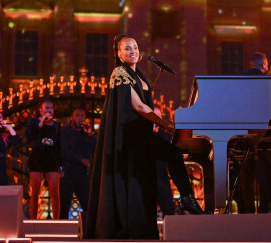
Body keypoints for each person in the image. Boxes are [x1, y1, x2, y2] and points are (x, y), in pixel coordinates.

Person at [85, 34, 203, 239]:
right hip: (130, 137)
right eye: (127, 48)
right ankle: (186, 201)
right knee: (169, 155)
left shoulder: (138, 74)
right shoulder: (119, 73)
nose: (133, 51)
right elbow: (138, 106)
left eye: (135, 47)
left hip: (142, 134)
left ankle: (186, 200)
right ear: (119, 54)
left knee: (160, 166)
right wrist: (166, 124)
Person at [238, 52, 271, 213]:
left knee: (246, 176)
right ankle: (270, 212)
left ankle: (247, 212)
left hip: (243, 134)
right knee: (269, 174)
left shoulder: (238, 81)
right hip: (265, 133)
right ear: (264, 65)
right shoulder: (270, 81)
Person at [26, 99, 62, 219]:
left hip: (52, 158)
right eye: (46, 108)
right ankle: (33, 220)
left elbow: (59, 145)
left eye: (51, 108)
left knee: (55, 193)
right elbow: (29, 136)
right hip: (38, 157)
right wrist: (41, 122)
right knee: (35, 192)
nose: (49, 110)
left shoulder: (57, 125)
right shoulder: (34, 121)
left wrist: (60, 165)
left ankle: (56, 221)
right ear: (40, 110)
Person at [59, 108, 96, 219]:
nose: (80, 118)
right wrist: (81, 160)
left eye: (82, 116)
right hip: (67, 173)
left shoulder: (86, 134)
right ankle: (62, 232)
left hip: (82, 175)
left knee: (87, 205)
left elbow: (95, 150)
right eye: (77, 115)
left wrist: (90, 134)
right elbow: (64, 151)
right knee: (64, 206)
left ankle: (88, 232)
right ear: (72, 118)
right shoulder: (65, 131)